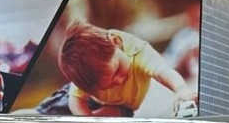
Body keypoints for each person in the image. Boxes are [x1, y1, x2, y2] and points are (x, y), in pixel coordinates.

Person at [52, 22, 196, 117]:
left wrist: (181, 89)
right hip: (85, 101)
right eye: (107, 85)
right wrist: (87, 121)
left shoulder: (138, 52)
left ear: (116, 42)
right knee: (52, 110)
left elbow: (162, 72)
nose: (120, 81)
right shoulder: (87, 75)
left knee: (120, 113)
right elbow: (75, 99)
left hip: (119, 106)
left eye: (117, 70)